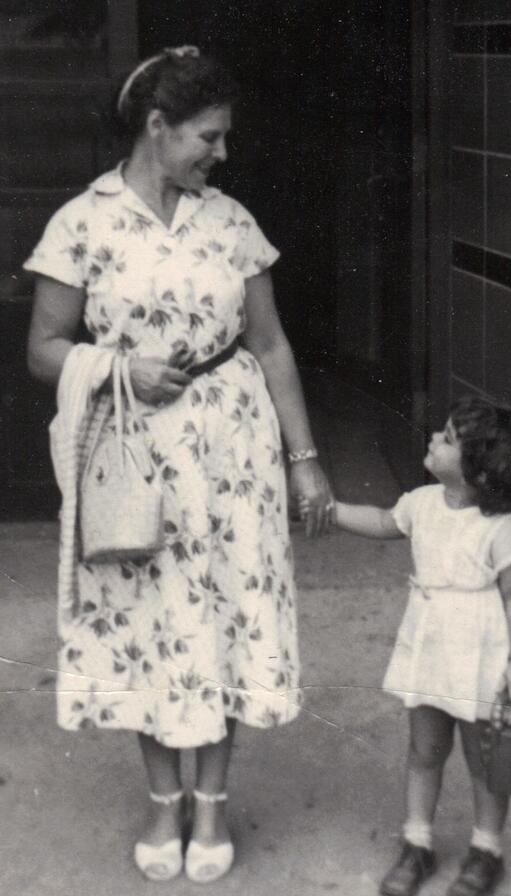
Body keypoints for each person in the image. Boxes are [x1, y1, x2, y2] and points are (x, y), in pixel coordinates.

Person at [25, 46, 333, 884]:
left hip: (231, 451)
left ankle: (214, 803)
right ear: (156, 128)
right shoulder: (81, 222)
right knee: (146, 619)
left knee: (226, 612)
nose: (221, 155)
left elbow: (269, 344)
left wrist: (303, 459)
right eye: (209, 136)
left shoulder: (229, 222)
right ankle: (165, 805)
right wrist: (120, 369)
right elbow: (45, 350)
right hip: (132, 456)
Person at [325, 396, 511, 896]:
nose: (432, 438)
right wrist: (332, 510)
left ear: (480, 475)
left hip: (480, 656)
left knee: (485, 760)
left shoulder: (500, 530)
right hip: (430, 648)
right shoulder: (422, 503)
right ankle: (417, 844)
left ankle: (486, 849)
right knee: (425, 748)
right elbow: (384, 523)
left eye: (446, 438)